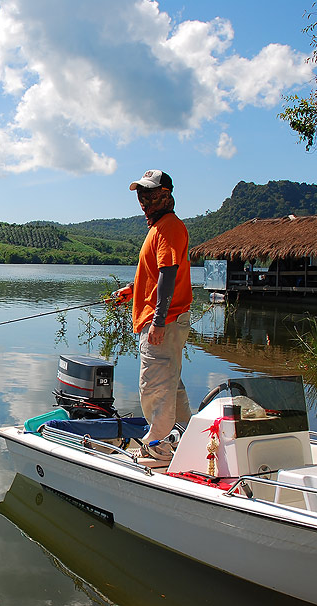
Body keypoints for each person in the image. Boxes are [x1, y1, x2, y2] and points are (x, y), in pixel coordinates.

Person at [111, 169, 193, 453]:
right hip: (166, 320)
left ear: (165, 195)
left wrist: (158, 321)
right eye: (140, 194)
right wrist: (132, 291)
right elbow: (156, 275)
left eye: (149, 193)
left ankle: (158, 449)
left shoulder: (169, 226)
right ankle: (186, 440)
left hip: (164, 322)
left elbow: (169, 274)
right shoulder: (158, 229)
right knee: (170, 386)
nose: (143, 199)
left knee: (154, 389)